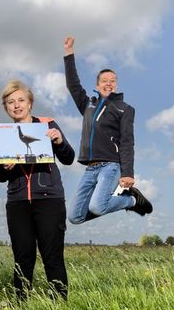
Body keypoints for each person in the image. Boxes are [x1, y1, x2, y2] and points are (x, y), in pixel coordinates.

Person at [0, 80, 75, 300]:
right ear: (6, 108)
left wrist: (59, 142)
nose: (16, 105)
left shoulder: (48, 125)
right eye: (11, 102)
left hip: (49, 199)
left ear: (30, 104)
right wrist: (5, 167)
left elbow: (68, 158)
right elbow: (0, 176)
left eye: (21, 100)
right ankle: (22, 306)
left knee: (53, 256)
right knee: (22, 257)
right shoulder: (3, 134)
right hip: (18, 202)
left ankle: (59, 304)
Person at [62, 36, 152, 224]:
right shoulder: (88, 105)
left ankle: (132, 200)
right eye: (104, 80)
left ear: (116, 85)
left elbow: (127, 142)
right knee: (74, 217)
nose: (108, 83)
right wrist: (69, 53)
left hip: (110, 166)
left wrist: (127, 173)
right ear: (97, 85)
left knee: (97, 206)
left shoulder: (124, 109)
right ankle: (126, 199)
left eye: (112, 80)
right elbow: (72, 84)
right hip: (90, 168)